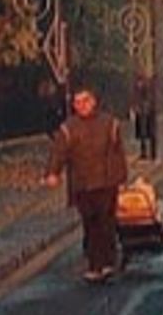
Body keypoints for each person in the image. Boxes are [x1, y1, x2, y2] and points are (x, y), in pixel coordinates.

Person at [44, 87, 130, 282]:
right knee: (90, 225)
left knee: (107, 223)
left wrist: (122, 179)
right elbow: (59, 151)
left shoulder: (110, 123)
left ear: (94, 102)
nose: (81, 106)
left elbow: (118, 153)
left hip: (107, 182)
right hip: (83, 184)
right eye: (77, 102)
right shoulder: (68, 127)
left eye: (85, 101)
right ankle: (95, 266)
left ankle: (107, 263)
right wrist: (52, 172)